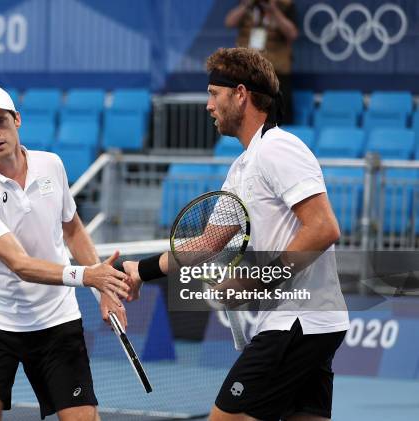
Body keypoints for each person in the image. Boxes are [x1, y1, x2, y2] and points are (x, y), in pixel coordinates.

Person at [123, 48, 349, 421]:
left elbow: (324, 227)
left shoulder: (279, 149)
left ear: (241, 94)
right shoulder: (243, 167)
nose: (208, 106)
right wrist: (141, 270)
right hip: (306, 324)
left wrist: (255, 280)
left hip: (296, 321)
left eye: (214, 94)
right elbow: (207, 243)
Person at [0, 86, 130, 421]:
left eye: (0, 121)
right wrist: (87, 276)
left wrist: (103, 287)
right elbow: (19, 264)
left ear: (17, 120)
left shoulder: (52, 165)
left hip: (55, 320)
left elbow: (73, 229)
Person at [225, 0, 298, 125]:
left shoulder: (285, 5)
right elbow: (229, 22)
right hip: (247, 72)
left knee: (279, 118)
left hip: (276, 73)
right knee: (245, 117)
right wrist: (246, 5)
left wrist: (274, 11)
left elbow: (292, 34)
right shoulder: (247, 4)